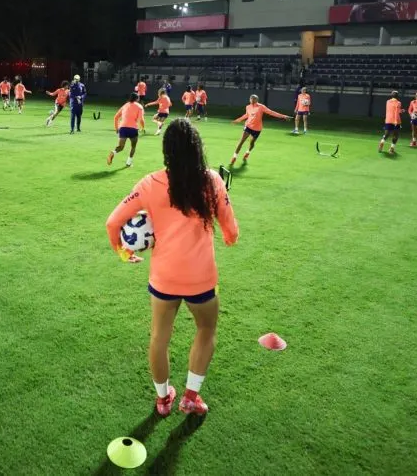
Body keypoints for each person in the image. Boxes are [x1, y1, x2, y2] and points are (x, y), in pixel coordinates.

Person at [104, 119, 239, 416]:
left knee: (159, 338)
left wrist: (124, 254)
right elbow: (231, 230)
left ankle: (163, 400)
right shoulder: (212, 181)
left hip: (163, 280)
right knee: (206, 329)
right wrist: (228, 237)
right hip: (201, 279)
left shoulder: (149, 183)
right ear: (197, 148)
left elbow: (112, 223)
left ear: (167, 151)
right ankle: (191, 398)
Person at [230, 95, 290, 165]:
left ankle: (248, 152)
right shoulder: (248, 107)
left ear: (257, 100)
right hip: (248, 126)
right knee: (241, 141)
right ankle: (234, 157)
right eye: (251, 99)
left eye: (254, 99)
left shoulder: (261, 107)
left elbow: (271, 112)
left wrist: (283, 116)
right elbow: (246, 115)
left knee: (252, 143)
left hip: (257, 129)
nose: (252, 100)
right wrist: (238, 120)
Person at [107, 93, 146, 167]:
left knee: (121, 147)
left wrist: (116, 128)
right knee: (133, 147)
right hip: (133, 129)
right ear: (137, 99)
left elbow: (116, 117)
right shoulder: (139, 106)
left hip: (123, 128)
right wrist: (143, 127)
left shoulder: (125, 105)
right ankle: (128, 162)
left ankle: (113, 152)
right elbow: (141, 119)